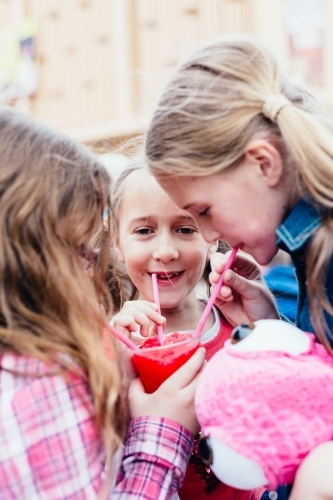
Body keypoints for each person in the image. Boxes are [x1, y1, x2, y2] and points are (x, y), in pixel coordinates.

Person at [144, 36, 333, 500]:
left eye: (204, 211)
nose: (211, 237)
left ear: (263, 163)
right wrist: (270, 323)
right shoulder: (309, 248)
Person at [0, 107, 206, 499]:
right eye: (80, 250)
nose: (91, 267)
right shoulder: (37, 395)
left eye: (185, 227)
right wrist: (160, 430)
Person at [110, 162, 265, 500]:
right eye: (143, 231)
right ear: (116, 242)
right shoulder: (111, 344)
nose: (166, 251)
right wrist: (113, 363)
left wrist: (266, 328)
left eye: (185, 229)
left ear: (212, 238)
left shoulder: (237, 329)